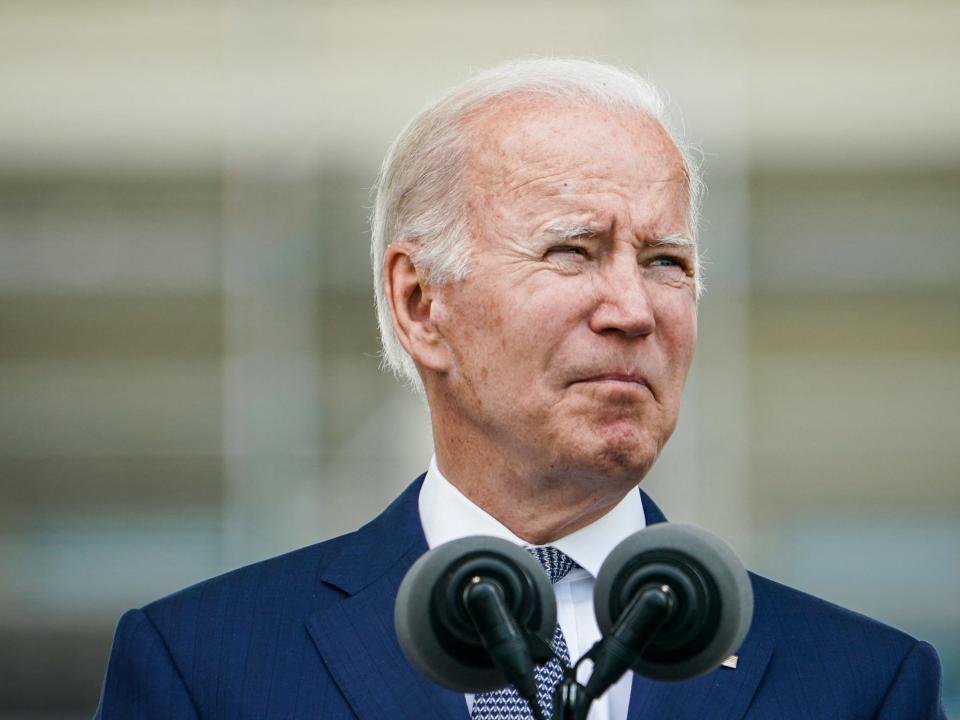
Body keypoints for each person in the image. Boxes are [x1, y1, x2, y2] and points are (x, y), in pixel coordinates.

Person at [94, 58, 946, 719]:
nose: (634, 309)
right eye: (572, 250)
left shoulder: (864, 683)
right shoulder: (203, 665)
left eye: (665, 262)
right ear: (421, 304)